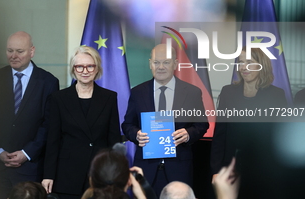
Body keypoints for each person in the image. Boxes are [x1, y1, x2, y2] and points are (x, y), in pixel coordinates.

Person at [122, 44, 209, 196]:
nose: (160, 67)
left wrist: (188, 134)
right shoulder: (137, 92)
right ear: (150, 64)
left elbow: (202, 124)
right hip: (146, 168)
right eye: (156, 62)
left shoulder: (192, 92)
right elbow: (127, 124)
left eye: (166, 62)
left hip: (179, 168)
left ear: (175, 64)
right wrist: (136, 134)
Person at [41, 46, 121, 199]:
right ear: (73, 69)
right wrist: (48, 175)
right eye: (80, 66)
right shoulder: (59, 98)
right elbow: (53, 140)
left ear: (96, 69)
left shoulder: (109, 98)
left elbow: (114, 140)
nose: (85, 71)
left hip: (99, 174)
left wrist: (115, 175)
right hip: (67, 175)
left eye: (90, 66)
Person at [0, 31, 60, 199]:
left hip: (30, 168)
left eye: (19, 51)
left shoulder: (48, 82)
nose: (13, 56)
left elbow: (49, 125)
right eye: (9, 50)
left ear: (32, 51)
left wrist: (26, 153)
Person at [210, 47, 287, 198]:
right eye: (241, 62)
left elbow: (280, 137)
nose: (244, 67)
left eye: (250, 62)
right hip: (229, 169)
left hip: (263, 170)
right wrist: (215, 170)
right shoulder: (228, 92)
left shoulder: (276, 95)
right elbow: (220, 135)